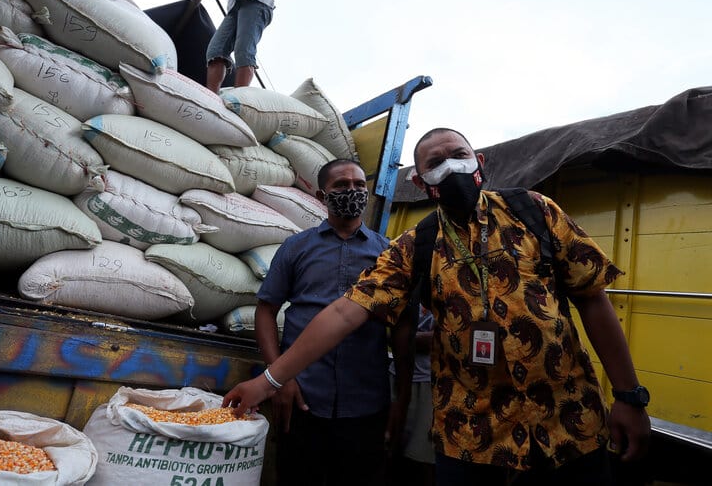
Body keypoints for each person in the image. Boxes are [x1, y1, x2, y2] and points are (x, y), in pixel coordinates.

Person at [224, 128, 651, 486]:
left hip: (568, 421)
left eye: (458, 155)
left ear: (478, 161)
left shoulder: (534, 212)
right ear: (422, 182)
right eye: (435, 163)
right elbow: (345, 312)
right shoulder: (413, 248)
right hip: (473, 434)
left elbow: (593, 298)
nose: (450, 167)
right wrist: (269, 381)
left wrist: (629, 395)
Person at [255, 159, 391, 486]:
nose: (353, 191)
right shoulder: (296, 247)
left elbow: (401, 325)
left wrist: (399, 402)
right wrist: (279, 379)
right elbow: (265, 311)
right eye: (341, 186)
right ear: (321, 195)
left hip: (366, 403)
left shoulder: (388, 253)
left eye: (359, 185)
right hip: (303, 400)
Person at [179, 0, 274, 94]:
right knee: (215, 51)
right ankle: (211, 98)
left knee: (243, 49)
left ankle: (239, 99)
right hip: (235, 6)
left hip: (257, 0)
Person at [386, 304, 436, 486]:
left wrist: (404, 338)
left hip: (430, 384)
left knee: (422, 458)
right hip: (397, 376)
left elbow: (446, 337)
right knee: (393, 451)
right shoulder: (401, 282)